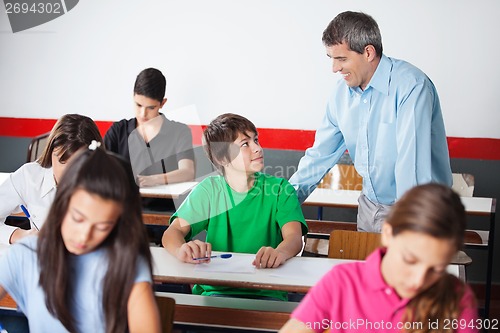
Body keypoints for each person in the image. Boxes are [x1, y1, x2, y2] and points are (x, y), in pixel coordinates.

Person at [289, 11, 452, 232]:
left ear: (368, 52)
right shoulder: (340, 95)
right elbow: (319, 156)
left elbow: (411, 168)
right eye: (332, 59)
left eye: (342, 59)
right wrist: (283, 204)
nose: (334, 68)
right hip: (370, 208)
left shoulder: (411, 87)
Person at [0, 144, 161, 333]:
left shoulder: (125, 262)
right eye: (77, 218)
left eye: (102, 227)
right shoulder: (27, 253)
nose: (84, 235)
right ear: (60, 205)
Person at [279, 183, 478, 333]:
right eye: (410, 260)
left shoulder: (457, 296)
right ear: (388, 234)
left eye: (436, 269)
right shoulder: (342, 283)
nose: (418, 280)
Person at [162, 113, 307, 301]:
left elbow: (295, 238)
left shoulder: (280, 189)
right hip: (215, 292)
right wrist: (182, 249)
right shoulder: (209, 190)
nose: (257, 148)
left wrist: (280, 252)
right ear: (222, 158)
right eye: (245, 144)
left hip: (268, 291)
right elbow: (171, 233)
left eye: (256, 140)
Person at [0, 114, 102, 245]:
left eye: (77, 163)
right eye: (61, 161)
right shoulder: (30, 176)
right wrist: (20, 235)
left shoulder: (105, 183)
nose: (67, 172)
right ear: (51, 152)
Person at [104, 67, 195, 188]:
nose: (143, 114)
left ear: (162, 103)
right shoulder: (118, 131)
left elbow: (188, 172)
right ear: (133, 97)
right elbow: (100, 167)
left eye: (151, 107)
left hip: (165, 206)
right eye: (138, 105)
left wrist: (154, 179)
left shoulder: (180, 132)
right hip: (126, 204)